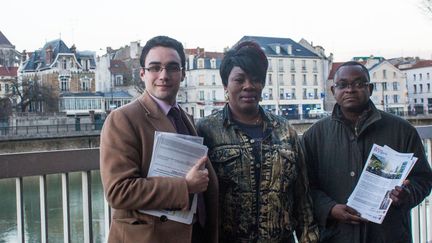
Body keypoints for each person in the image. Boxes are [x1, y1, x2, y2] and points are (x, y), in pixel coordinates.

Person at [196, 41, 319, 242]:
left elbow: (302, 197)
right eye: (239, 79)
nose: (249, 86)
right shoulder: (206, 131)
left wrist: (308, 237)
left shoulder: (285, 130)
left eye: (256, 79)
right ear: (226, 85)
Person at [100, 36, 218, 243]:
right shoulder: (122, 118)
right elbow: (118, 192)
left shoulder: (185, 117)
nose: (164, 75)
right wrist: (185, 187)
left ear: (182, 75)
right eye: (155, 67)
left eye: (172, 68)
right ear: (142, 74)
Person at [302, 61, 432, 243]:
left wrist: (406, 194)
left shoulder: (402, 130)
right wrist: (330, 209)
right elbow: (304, 187)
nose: (350, 90)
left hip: (388, 236)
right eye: (343, 85)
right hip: (337, 236)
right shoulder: (315, 135)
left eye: (358, 84)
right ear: (334, 91)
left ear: (369, 89)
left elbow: (424, 179)